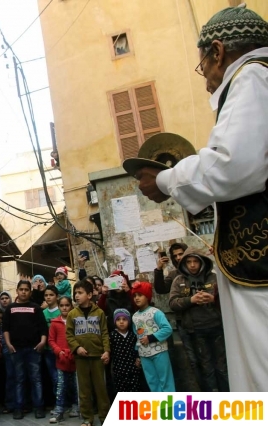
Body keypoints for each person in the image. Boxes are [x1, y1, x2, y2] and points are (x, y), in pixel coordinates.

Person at [131, 4, 268, 391]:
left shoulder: (252, 77)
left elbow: (233, 164)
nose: (207, 82)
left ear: (218, 52)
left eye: (203, 66)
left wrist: (168, 180)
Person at [169, 249, 229, 392]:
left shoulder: (214, 278)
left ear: (202, 262)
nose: (192, 265)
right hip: (196, 331)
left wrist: (214, 299)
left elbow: (229, 299)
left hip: (217, 327)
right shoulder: (179, 280)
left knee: (222, 368)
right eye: (189, 262)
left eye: (195, 261)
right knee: (206, 368)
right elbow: (172, 303)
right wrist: (191, 300)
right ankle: (211, 402)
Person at [66, 281, 110, 426]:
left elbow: (104, 333)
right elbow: (69, 335)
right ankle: (87, 418)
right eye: (75, 293)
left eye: (80, 293)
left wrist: (106, 351)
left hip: (98, 356)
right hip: (81, 358)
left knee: (101, 389)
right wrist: (77, 347)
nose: (76, 296)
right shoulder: (72, 314)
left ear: (90, 295)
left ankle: (105, 417)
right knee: (84, 390)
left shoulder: (99, 313)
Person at [2, 280, 48, 420]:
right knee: (19, 379)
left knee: (36, 379)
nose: (23, 292)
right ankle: (18, 408)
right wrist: (8, 344)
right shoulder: (10, 308)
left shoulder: (36, 308)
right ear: (17, 291)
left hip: (33, 349)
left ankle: (39, 407)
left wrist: (42, 342)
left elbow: (43, 328)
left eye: (26, 289)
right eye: (21, 289)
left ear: (30, 291)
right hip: (16, 350)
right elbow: (6, 329)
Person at [131, 282, 175, 392]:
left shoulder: (156, 312)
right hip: (144, 354)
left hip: (159, 352)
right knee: (152, 382)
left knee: (165, 381)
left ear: (147, 296)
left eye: (140, 295)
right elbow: (137, 335)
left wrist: (151, 338)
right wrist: (137, 354)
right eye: (134, 296)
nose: (136, 298)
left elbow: (167, 329)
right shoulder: (135, 317)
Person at [48, 296, 79, 424]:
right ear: (59, 307)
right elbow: (51, 340)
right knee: (61, 385)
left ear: (71, 306)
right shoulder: (55, 323)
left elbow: (80, 337)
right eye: (62, 305)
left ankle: (76, 406)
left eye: (67, 305)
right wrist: (59, 351)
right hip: (61, 360)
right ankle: (59, 410)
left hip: (75, 359)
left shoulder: (76, 321)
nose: (65, 308)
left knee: (75, 385)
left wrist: (75, 350)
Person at [110, 308, 141, 393]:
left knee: (134, 390)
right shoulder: (112, 335)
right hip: (119, 370)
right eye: (118, 319)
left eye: (124, 319)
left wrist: (138, 358)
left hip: (132, 369)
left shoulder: (132, 336)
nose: (121, 322)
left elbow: (137, 348)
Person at [42, 284, 60, 410]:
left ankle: (67, 402)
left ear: (57, 296)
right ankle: (58, 403)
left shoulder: (63, 310)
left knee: (63, 377)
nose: (48, 297)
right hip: (48, 350)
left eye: (51, 295)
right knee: (54, 378)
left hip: (61, 350)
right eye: (46, 295)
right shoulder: (43, 313)